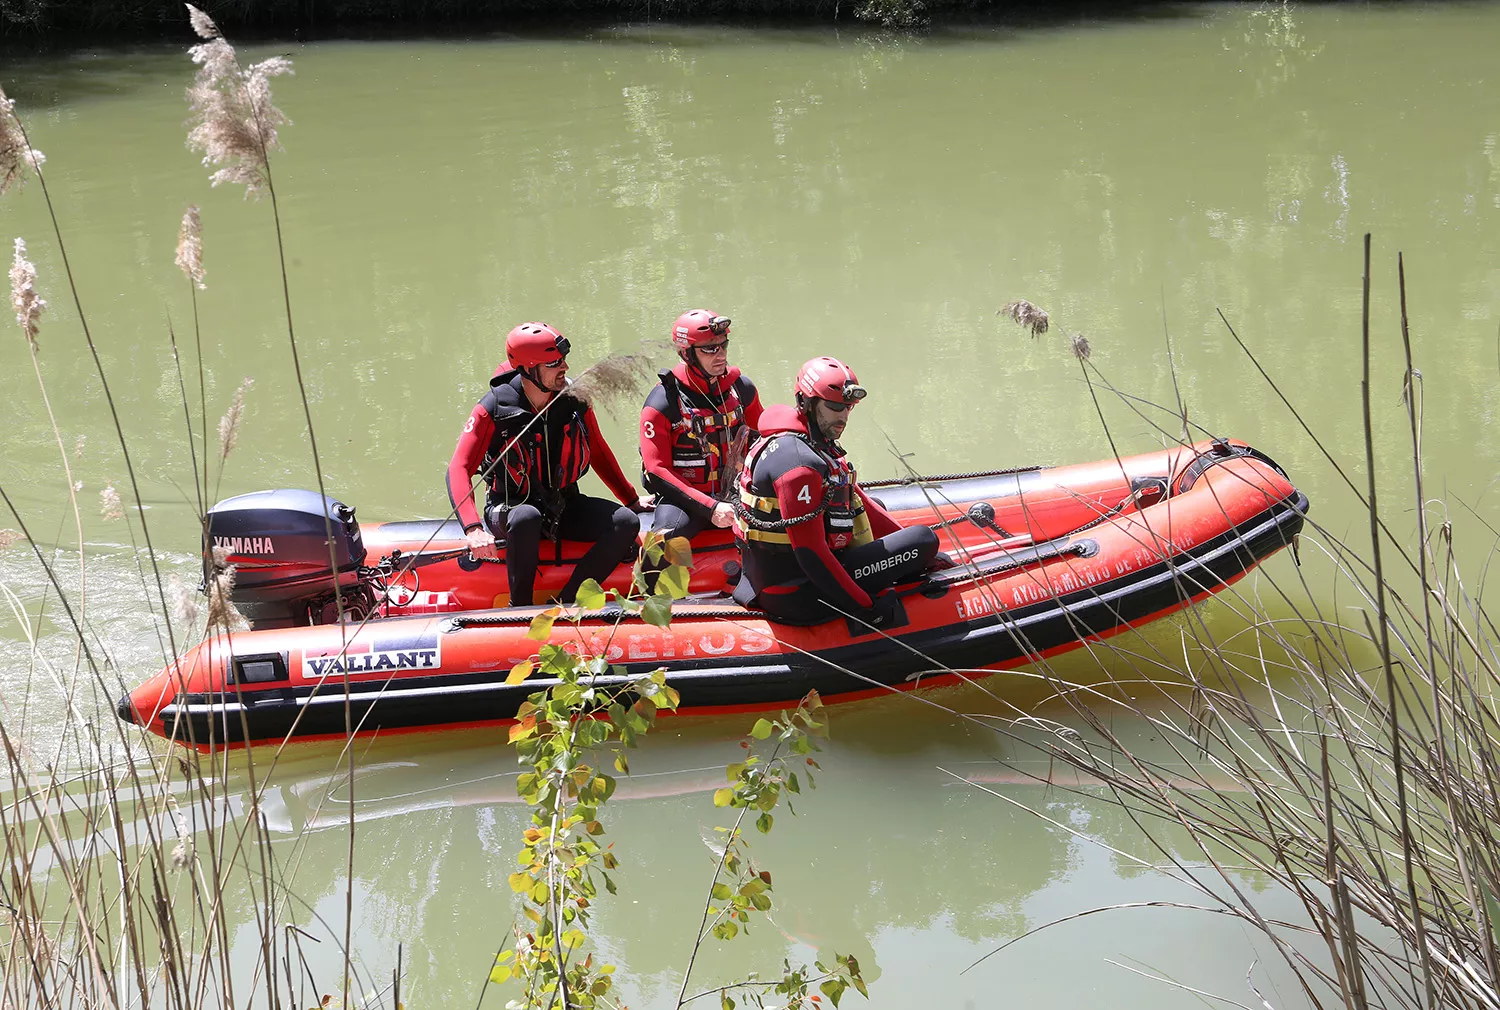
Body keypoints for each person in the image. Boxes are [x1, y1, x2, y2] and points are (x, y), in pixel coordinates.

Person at [447, 322, 653, 606]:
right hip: (510, 508)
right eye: (554, 362)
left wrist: (630, 499)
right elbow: (458, 468)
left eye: (564, 360)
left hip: (562, 504)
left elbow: (598, 451)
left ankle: (568, 602)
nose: (565, 367)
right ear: (529, 369)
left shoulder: (573, 400)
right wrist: (473, 529)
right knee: (526, 518)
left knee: (625, 523)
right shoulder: (493, 408)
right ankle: (519, 608)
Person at [731, 356, 938, 626]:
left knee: (886, 515)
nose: (842, 417)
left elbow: (859, 501)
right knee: (924, 539)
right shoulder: (799, 465)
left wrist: (909, 552)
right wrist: (865, 607)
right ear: (805, 402)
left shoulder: (808, 439)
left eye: (848, 408)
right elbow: (811, 554)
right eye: (834, 407)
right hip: (797, 592)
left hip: (773, 577)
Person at [639, 309, 764, 548]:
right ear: (686, 353)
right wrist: (711, 508)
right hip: (686, 501)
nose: (720, 355)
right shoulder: (663, 402)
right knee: (660, 544)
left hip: (739, 494)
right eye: (709, 348)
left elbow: (768, 440)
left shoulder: (741, 388)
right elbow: (657, 470)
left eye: (723, 345)